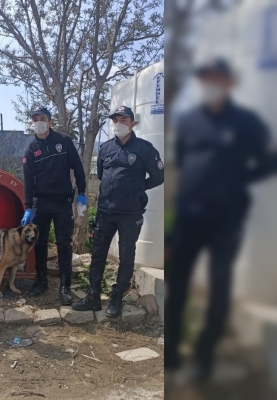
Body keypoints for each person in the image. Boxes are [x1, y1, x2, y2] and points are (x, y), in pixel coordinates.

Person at [165, 58, 276, 380]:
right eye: (205, 79)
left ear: (229, 83)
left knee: (219, 287)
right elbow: (182, 165)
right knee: (178, 285)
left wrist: (240, 180)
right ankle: (170, 352)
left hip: (226, 218)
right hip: (188, 216)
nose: (210, 85)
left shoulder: (247, 122)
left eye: (216, 78)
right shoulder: (189, 121)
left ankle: (204, 357)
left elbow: (269, 160)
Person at [72, 106, 164, 317]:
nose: (119, 123)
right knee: (98, 254)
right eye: (115, 120)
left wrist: (138, 189)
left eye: (124, 119)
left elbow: (159, 176)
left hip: (130, 214)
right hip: (105, 212)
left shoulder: (144, 149)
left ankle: (117, 297)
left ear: (133, 123)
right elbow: (102, 174)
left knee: (126, 256)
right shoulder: (105, 148)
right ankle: (93, 296)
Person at [21, 106, 87, 302]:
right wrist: (28, 207)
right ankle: (41, 281)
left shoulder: (64, 141)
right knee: (39, 243)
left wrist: (82, 193)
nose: (39, 122)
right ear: (32, 123)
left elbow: (78, 167)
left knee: (64, 245)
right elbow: (28, 180)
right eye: (35, 119)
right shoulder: (31, 149)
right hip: (41, 202)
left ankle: (65, 287)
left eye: (43, 118)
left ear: (50, 121)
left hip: (62, 202)